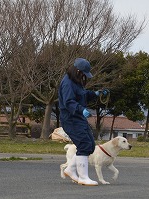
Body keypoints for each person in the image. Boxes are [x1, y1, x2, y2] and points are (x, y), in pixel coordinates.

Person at [58, 58, 108, 186]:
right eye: (84, 74)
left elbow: (83, 94)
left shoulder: (75, 81)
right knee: (84, 144)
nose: (85, 76)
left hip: (78, 118)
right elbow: (69, 102)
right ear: (78, 71)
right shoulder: (67, 83)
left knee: (90, 145)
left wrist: (96, 94)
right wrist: (81, 110)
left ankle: (70, 169)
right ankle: (83, 177)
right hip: (71, 119)